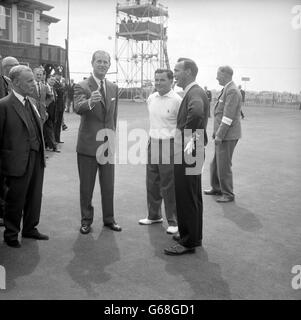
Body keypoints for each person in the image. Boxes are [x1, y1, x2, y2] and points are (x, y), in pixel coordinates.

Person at [164, 58, 209, 255]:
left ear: (189, 72)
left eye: (177, 70)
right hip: (195, 147)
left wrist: (187, 139)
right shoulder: (194, 91)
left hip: (189, 149)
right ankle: (192, 236)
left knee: (185, 195)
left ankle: (188, 242)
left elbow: (197, 113)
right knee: (192, 195)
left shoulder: (194, 92)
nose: (174, 74)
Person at [0, 65, 49, 248]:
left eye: (33, 80)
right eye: (29, 80)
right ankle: (11, 234)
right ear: (15, 82)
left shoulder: (33, 103)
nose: (33, 83)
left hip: (36, 157)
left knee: (35, 196)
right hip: (16, 161)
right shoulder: (4, 105)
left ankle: (30, 228)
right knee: (16, 199)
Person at [74, 50, 121, 234]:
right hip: (87, 146)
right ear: (92, 63)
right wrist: (90, 102)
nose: (102, 64)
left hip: (107, 145)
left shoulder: (113, 87)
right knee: (86, 187)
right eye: (99, 61)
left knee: (108, 185)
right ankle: (86, 220)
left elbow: (113, 117)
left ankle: (109, 219)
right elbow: (78, 107)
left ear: (109, 65)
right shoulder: (82, 86)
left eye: (105, 62)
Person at [138, 69, 182, 234]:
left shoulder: (177, 100)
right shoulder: (151, 98)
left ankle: (173, 220)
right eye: (156, 80)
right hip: (153, 143)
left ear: (171, 81)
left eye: (162, 80)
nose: (157, 83)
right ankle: (154, 215)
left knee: (168, 185)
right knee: (152, 182)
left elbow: (181, 126)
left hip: (169, 145)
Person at [204, 66, 242, 203]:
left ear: (225, 75)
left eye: (218, 75)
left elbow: (228, 117)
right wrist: (216, 132)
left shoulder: (232, 91)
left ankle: (228, 194)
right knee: (216, 163)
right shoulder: (227, 89)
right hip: (223, 133)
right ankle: (216, 188)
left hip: (228, 135)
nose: (216, 77)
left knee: (224, 165)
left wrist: (219, 135)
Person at [0, 56, 19, 227]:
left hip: (9, 139)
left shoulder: (8, 83)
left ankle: (4, 211)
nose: (17, 68)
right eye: (14, 66)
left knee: (5, 179)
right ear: (6, 67)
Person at [44, 75, 60, 153]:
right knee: (49, 129)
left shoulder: (54, 89)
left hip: (53, 113)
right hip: (46, 112)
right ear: (47, 79)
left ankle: (47, 145)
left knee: (48, 129)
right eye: (51, 80)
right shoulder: (44, 88)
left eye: (54, 80)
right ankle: (54, 146)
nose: (52, 81)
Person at [53, 72, 65, 143]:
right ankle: (54, 139)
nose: (59, 76)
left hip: (61, 105)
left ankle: (57, 139)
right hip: (57, 106)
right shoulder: (54, 83)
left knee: (59, 123)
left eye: (60, 75)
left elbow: (63, 93)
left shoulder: (60, 84)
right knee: (56, 123)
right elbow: (59, 93)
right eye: (58, 75)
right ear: (55, 75)